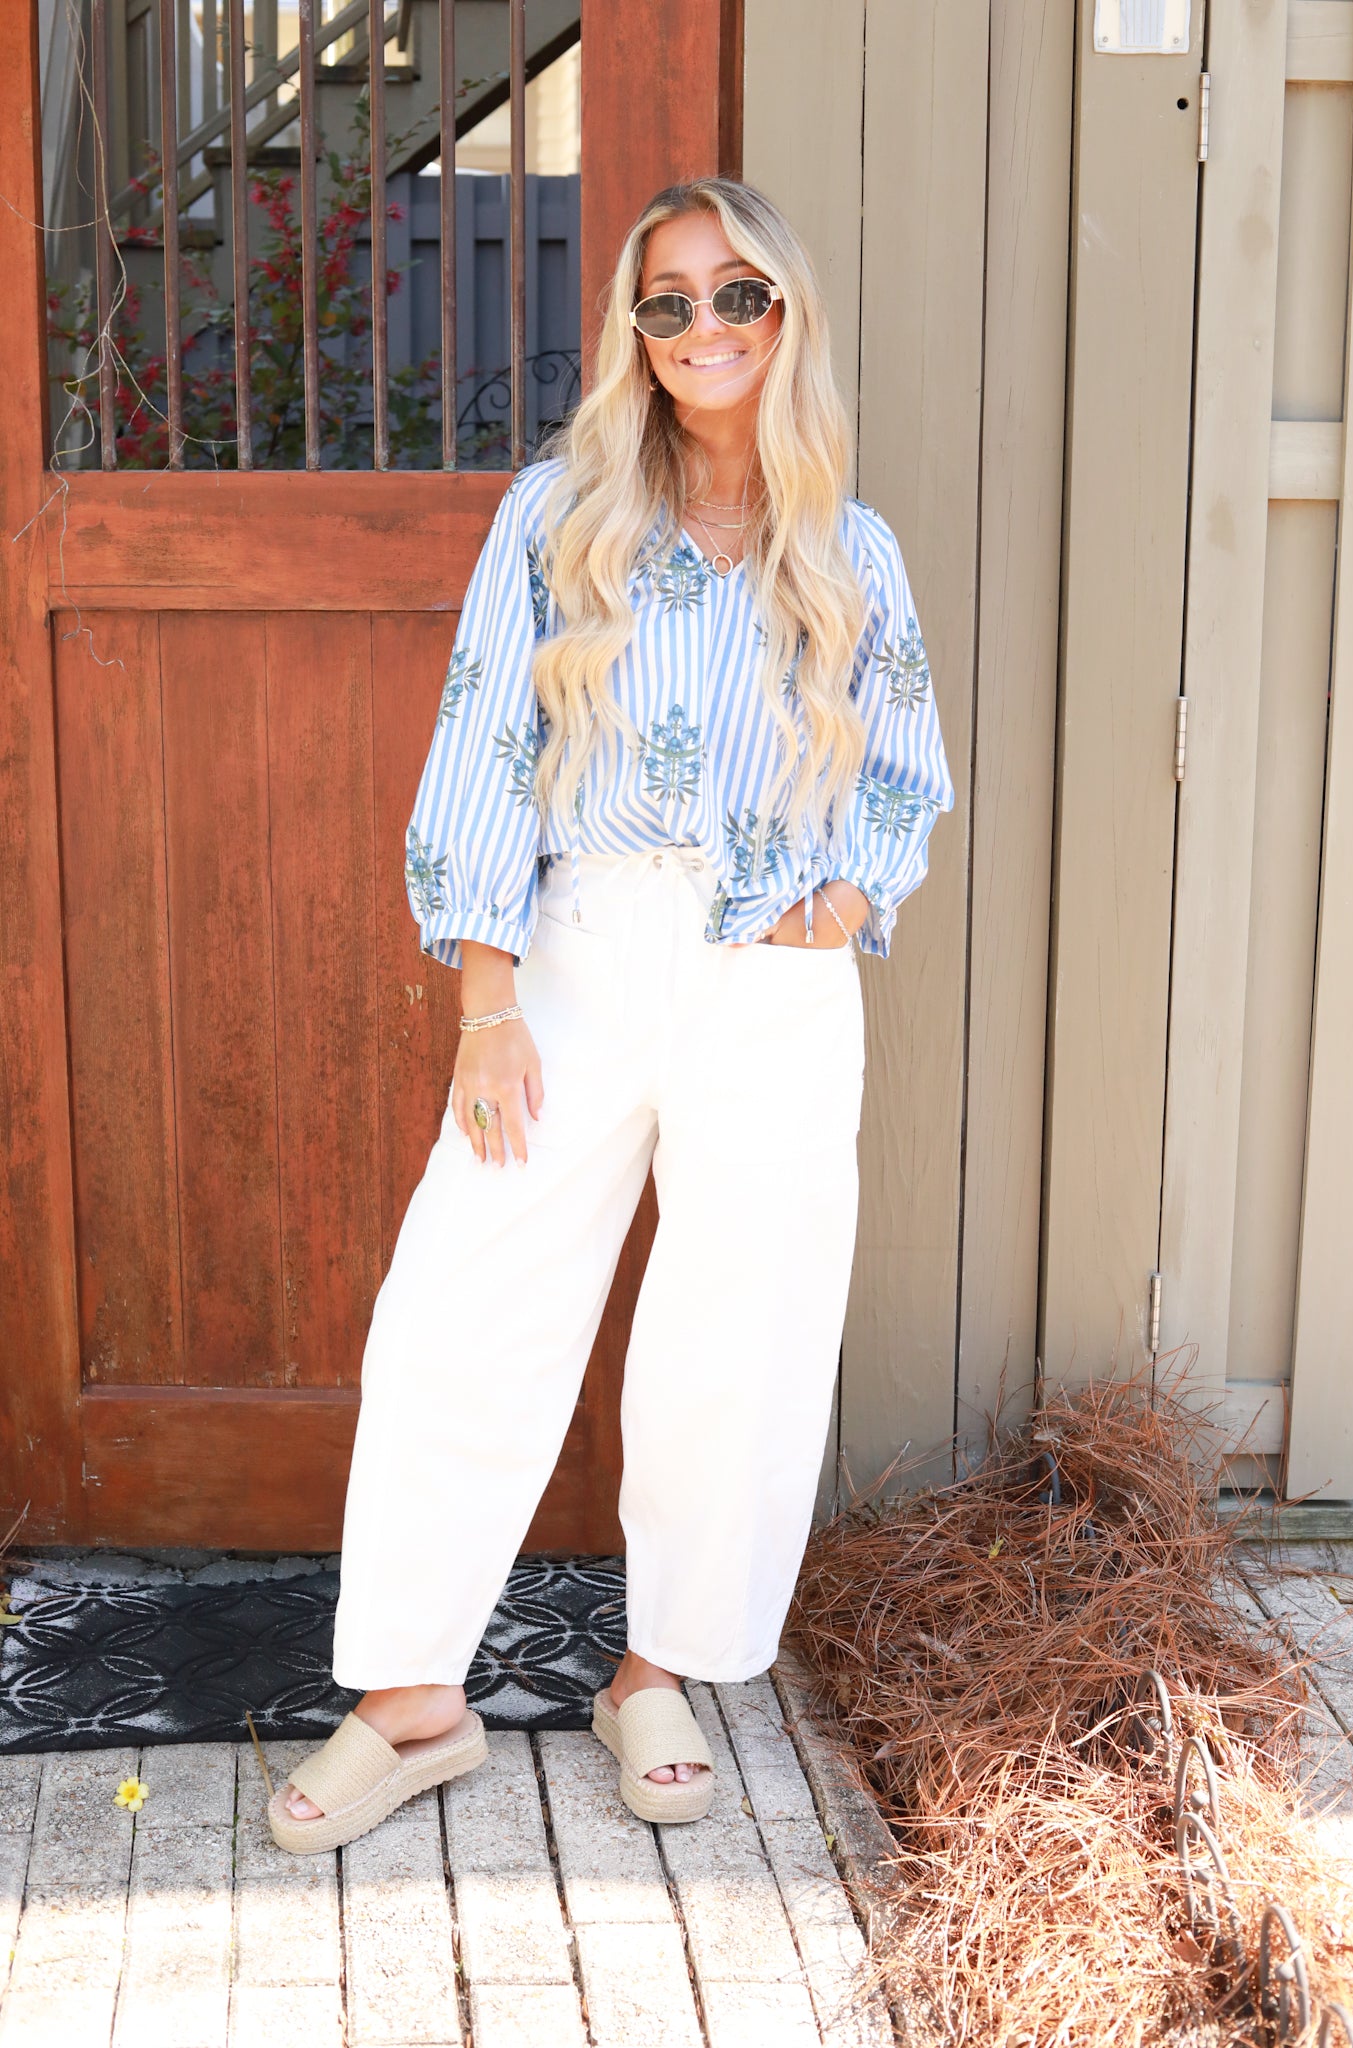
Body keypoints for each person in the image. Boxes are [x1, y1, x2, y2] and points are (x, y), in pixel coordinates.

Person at [268, 175, 953, 1854]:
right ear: (632, 336)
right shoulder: (556, 515)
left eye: (737, 297)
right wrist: (483, 997)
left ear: (784, 319)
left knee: (739, 1332)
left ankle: (655, 1668)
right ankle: (415, 1697)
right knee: (464, 1304)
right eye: (669, 302)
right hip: (573, 950)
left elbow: (905, 774)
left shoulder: (846, 547)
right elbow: (485, 748)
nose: (704, 327)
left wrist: (847, 898)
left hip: (772, 982)